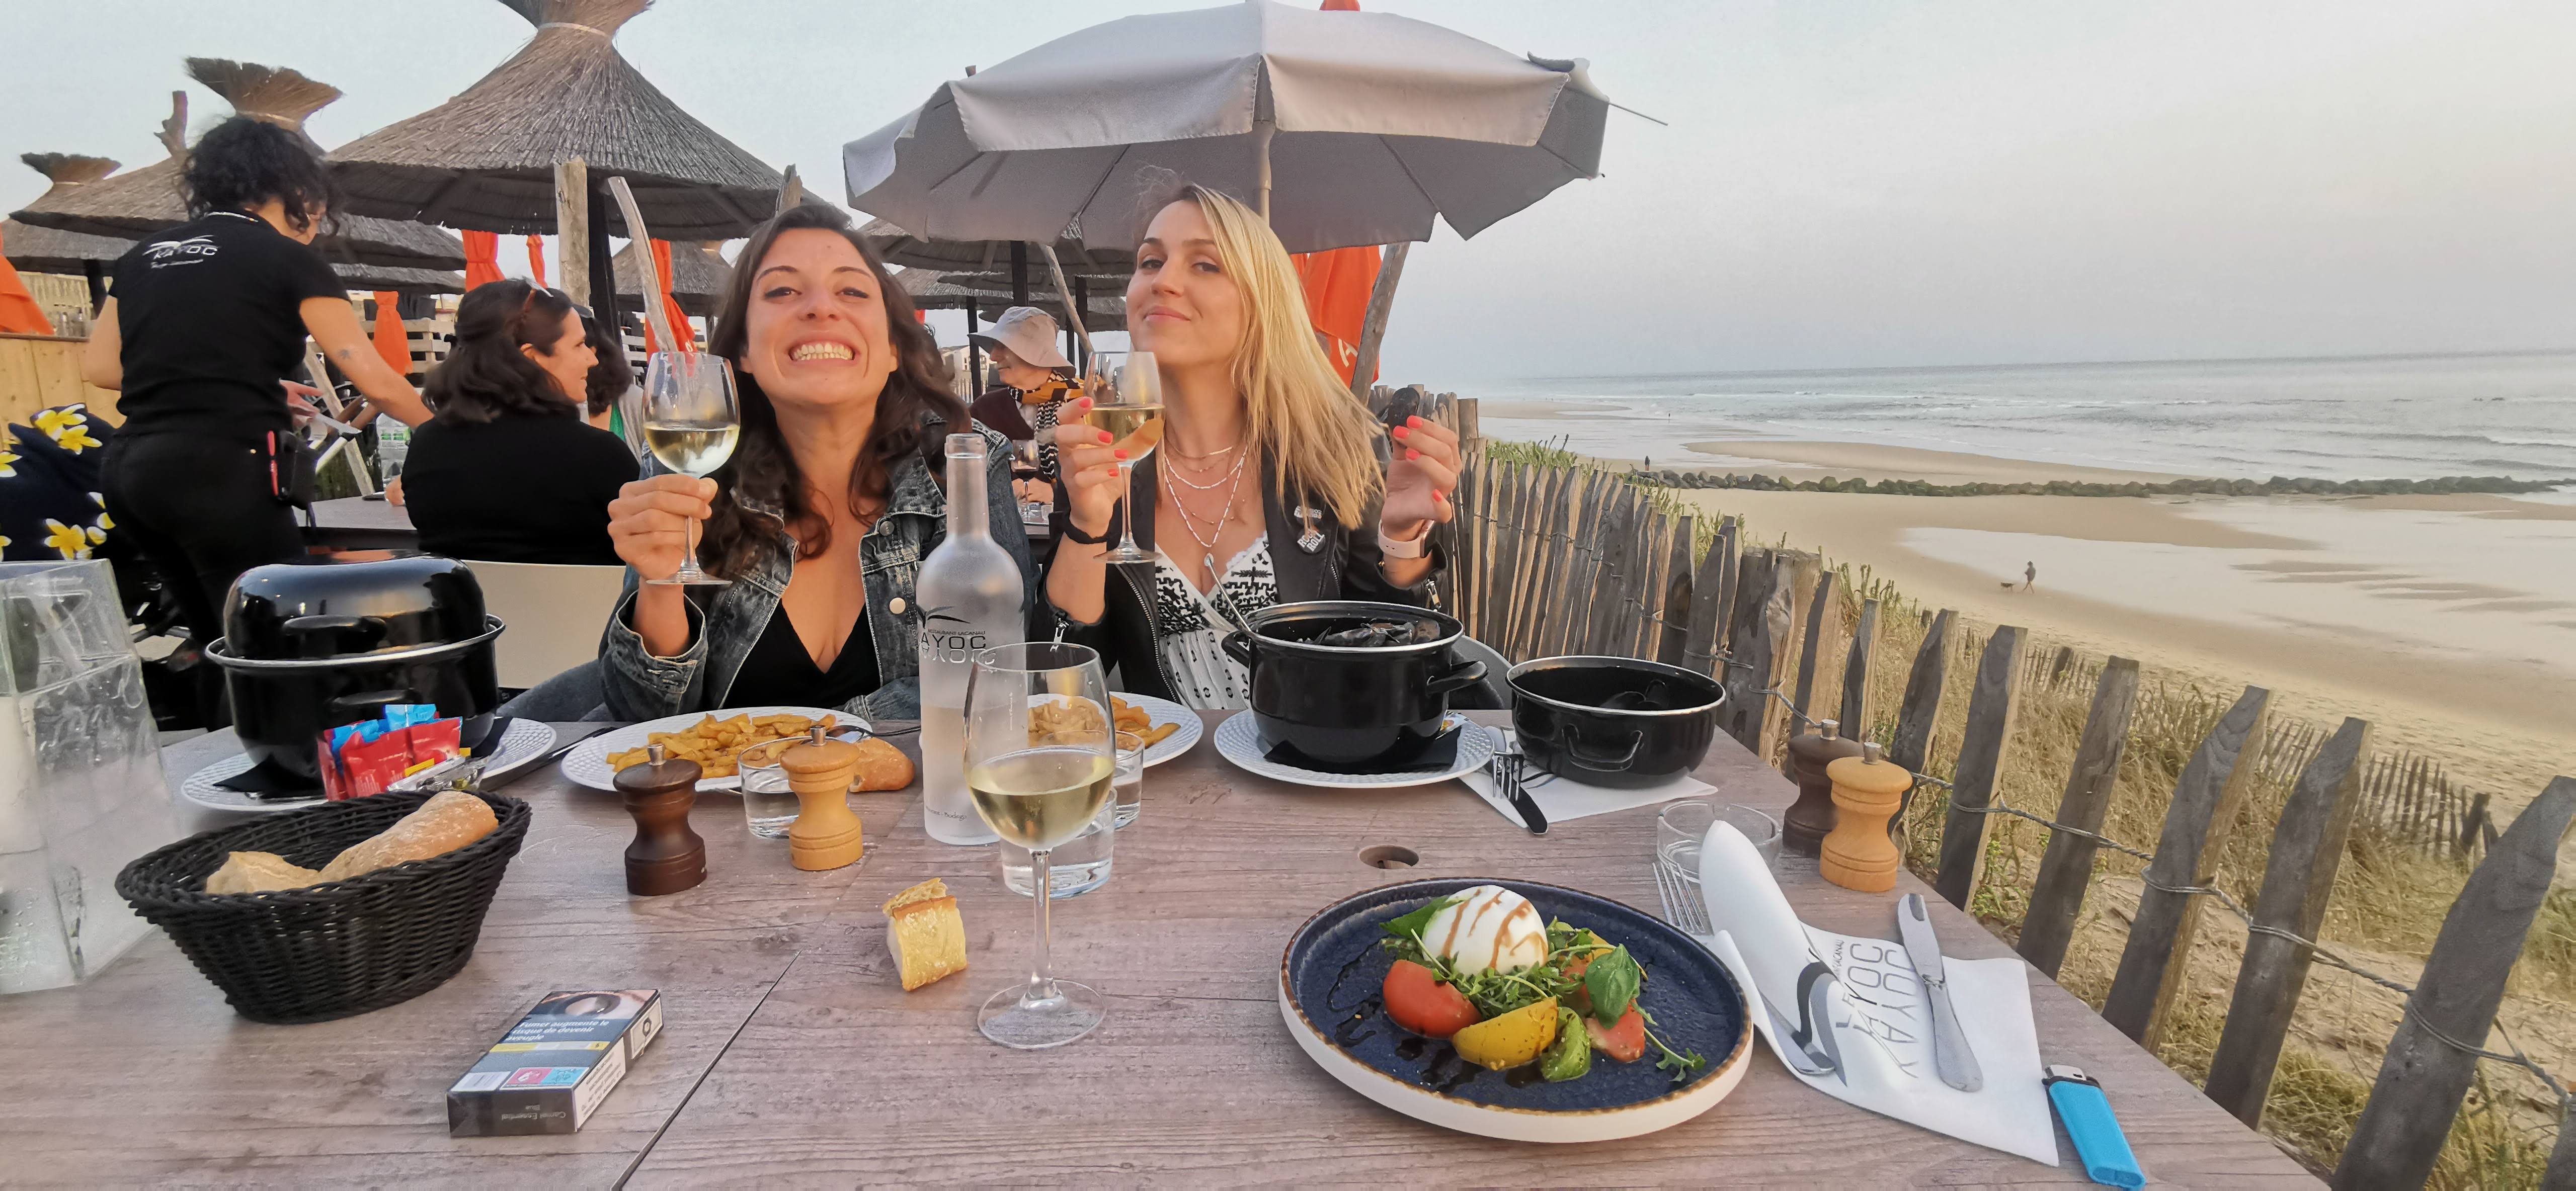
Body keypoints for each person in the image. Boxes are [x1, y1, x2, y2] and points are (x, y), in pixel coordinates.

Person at [596, 204, 1036, 721]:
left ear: (893, 348)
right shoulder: (688, 469)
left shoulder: (963, 460)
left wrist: (803, 745)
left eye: (852, 291)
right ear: (743, 350)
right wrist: (659, 583)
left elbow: (995, 678)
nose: (820, 308)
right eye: (782, 291)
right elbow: (643, 720)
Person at [1046, 183, 1460, 708]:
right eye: (1150, 261)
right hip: (1174, 760)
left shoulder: (1328, 455)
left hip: (1310, 752)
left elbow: (1397, 658)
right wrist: (1086, 525)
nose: (1163, 281)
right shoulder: (1106, 459)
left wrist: (1400, 541)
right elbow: (1059, 682)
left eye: (1205, 265)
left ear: (1262, 305)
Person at [79, 115, 431, 720]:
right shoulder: (286, 259)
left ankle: (222, 765)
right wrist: (442, 429)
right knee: (271, 641)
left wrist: (253, 382)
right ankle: (281, 769)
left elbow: (104, 367)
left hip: (132, 469)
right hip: (219, 470)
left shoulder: (144, 256)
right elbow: (372, 377)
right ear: (298, 191)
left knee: (214, 639)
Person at [400, 280, 638, 566]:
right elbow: (654, 555)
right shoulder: (599, 455)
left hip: (460, 596)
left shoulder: (427, 446)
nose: (592, 359)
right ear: (531, 359)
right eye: (579, 345)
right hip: (585, 597)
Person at [965, 306, 1077, 498]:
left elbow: (1108, 482)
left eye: (1003, 346)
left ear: (1034, 350)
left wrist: (1056, 494)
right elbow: (961, 479)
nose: (993, 356)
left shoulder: (1080, 406)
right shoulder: (983, 410)